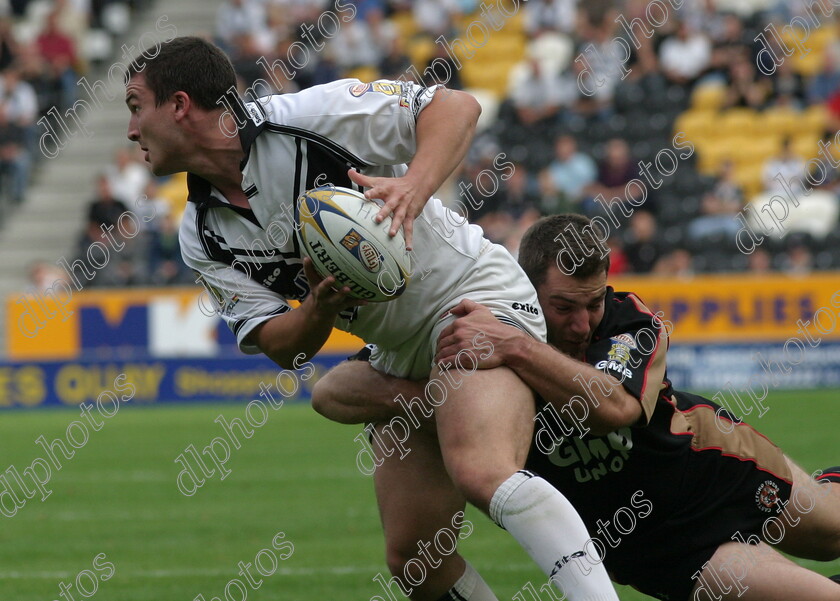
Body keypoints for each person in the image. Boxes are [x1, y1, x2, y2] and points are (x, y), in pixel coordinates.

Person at [124, 37, 618, 601]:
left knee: (481, 468)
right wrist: (319, 309)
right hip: (396, 348)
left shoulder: (308, 116)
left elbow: (457, 107)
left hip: (471, 296)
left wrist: (413, 186)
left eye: (137, 106)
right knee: (414, 558)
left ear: (180, 104)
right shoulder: (200, 235)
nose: (133, 129)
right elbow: (284, 347)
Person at [313, 214, 840, 601]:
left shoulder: (628, 322)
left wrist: (517, 347)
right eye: (563, 307)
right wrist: (436, 401)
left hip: (716, 471)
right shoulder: (476, 326)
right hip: (661, 552)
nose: (583, 324)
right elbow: (330, 391)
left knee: (832, 532)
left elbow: (613, 407)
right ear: (524, 291)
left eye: (592, 303)